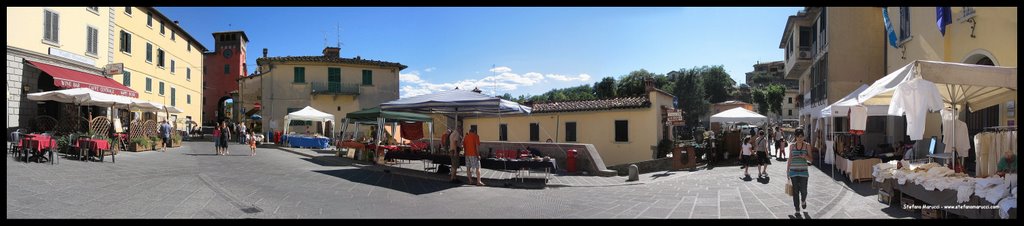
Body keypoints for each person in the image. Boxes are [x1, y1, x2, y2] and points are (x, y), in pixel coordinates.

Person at [788, 129, 812, 216]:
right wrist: (787, 171)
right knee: (795, 191)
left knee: (804, 190)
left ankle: (803, 200)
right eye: (798, 136)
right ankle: (797, 208)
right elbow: (790, 158)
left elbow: (811, 159)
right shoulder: (792, 146)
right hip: (793, 171)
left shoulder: (807, 146)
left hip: (804, 172)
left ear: (803, 137)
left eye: (801, 136)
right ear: (795, 137)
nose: (799, 138)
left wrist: (805, 156)